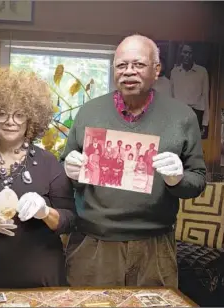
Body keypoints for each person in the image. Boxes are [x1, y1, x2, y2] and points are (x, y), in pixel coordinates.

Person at [62, 34, 206, 287]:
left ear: (156, 69)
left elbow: (198, 180)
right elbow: (65, 173)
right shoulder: (89, 112)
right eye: (122, 65)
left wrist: (178, 179)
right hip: (94, 243)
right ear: (114, 70)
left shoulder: (182, 116)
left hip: (155, 245)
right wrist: (70, 171)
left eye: (138, 64)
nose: (129, 72)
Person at [0, 67, 76, 288]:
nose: (10, 121)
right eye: (2, 113)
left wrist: (45, 212)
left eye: (19, 114)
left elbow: (70, 220)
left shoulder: (49, 163)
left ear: (31, 118)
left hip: (39, 284)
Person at [170, 43, 210, 133]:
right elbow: (171, 97)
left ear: (194, 55)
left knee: (193, 144)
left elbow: (205, 97)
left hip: (195, 114)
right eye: (185, 52)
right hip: (178, 114)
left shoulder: (202, 72)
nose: (187, 56)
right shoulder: (175, 72)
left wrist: (205, 122)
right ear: (180, 53)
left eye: (190, 53)